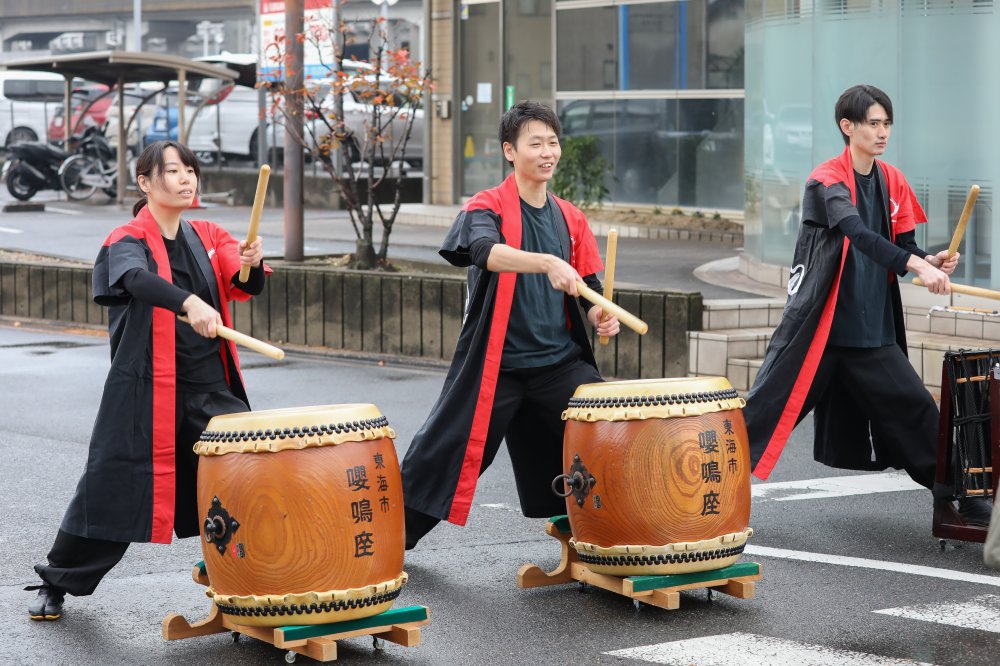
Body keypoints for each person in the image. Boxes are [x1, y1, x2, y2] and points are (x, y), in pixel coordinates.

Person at [26, 141, 270, 621]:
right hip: (146, 389)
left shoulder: (207, 233)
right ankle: (59, 580)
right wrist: (188, 302)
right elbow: (134, 279)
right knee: (112, 485)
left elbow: (242, 283)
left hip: (208, 389)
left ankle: (255, 574)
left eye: (191, 171)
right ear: (145, 182)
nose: (187, 179)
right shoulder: (126, 237)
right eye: (174, 170)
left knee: (248, 474)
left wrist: (251, 262)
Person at [744, 84, 991, 527]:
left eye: (887, 124)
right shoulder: (826, 180)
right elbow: (857, 232)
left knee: (916, 411)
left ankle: (963, 498)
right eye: (873, 123)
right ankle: (702, 487)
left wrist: (930, 260)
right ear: (848, 127)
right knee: (763, 414)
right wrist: (917, 264)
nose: (882, 132)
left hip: (868, 330)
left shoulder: (892, 180)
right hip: (817, 329)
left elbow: (902, 245)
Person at [401, 101, 621, 549]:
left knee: (604, 434)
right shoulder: (489, 206)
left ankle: (600, 540)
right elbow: (483, 251)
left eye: (553, 142)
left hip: (559, 365)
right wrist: (545, 262)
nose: (547, 152)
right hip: (496, 366)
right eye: (535, 143)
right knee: (452, 455)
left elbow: (590, 290)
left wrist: (600, 313)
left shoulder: (569, 217)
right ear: (509, 150)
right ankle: (388, 541)